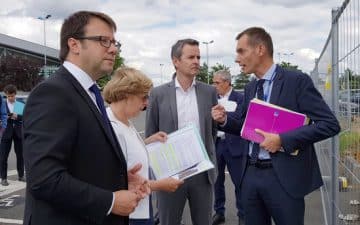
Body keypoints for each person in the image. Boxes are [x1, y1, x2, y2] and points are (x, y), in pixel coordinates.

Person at [23, 11, 147, 225]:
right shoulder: (54, 93)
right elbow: (44, 179)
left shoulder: (90, 92)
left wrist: (120, 179)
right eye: (103, 40)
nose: (113, 48)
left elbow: (82, 160)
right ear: (74, 45)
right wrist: (110, 201)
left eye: (115, 42)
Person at [211, 27, 341, 225]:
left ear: (260, 49)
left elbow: (329, 124)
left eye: (241, 51)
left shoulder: (296, 81)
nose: (237, 59)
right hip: (251, 175)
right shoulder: (251, 87)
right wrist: (224, 120)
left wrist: (282, 140)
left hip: (284, 178)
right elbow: (245, 126)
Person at [145, 38, 218, 225]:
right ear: (176, 61)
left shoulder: (209, 92)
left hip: (202, 173)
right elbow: (151, 134)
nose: (196, 61)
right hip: (170, 174)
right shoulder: (158, 94)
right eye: (191, 57)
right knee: (168, 221)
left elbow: (212, 132)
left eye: (199, 57)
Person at [103, 66, 184, 225]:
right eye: (143, 97)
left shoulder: (124, 120)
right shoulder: (111, 127)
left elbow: (126, 154)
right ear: (127, 94)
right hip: (130, 213)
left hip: (140, 207)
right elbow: (118, 178)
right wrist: (161, 185)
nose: (146, 103)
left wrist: (147, 141)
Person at [211, 70, 245, 225]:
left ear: (227, 82)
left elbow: (240, 120)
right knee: (217, 181)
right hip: (216, 145)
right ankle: (219, 211)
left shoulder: (240, 98)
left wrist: (225, 117)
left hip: (234, 145)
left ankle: (242, 214)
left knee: (239, 182)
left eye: (217, 83)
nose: (214, 85)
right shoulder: (213, 98)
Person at [0, 84, 25, 186]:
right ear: (6, 95)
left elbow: (23, 117)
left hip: (18, 132)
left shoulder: (20, 103)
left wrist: (17, 116)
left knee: (20, 156)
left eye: (12, 95)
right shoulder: (2, 104)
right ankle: (4, 178)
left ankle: (21, 176)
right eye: (9, 96)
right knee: (3, 156)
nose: (11, 98)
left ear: (15, 94)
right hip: (6, 132)